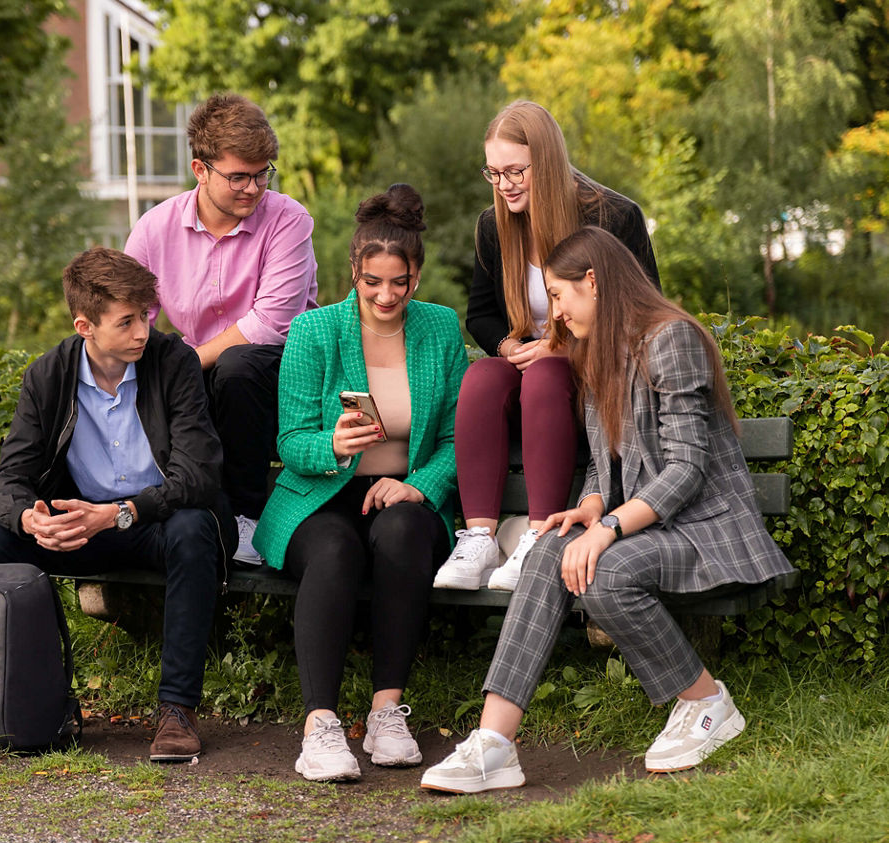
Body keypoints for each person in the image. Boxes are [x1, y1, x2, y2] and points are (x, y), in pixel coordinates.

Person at [420, 226, 793, 793]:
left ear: (592, 282)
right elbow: (604, 458)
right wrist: (591, 506)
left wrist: (612, 527)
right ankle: (495, 743)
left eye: (560, 296)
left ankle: (707, 702)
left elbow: (687, 469)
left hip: (705, 530)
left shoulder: (672, 338)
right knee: (550, 548)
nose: (557, 315)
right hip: (650, 527)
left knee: (604, 572)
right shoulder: (596, 353)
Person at [0, 247, 237, 763]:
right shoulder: (48, 375)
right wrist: (32, 518)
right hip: (83, 528)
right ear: (84, 325)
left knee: (193, 529)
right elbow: (8, 481)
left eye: (147, 315)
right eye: (127, 321)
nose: (143, 330)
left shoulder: (174, 362)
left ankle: (177, 710)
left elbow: (199, 476)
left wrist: (120, 513)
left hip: (155, 521)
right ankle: (47, 700)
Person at [253, 184, 467, 782]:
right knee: (336, 548)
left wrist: (419, 485)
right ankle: (319, 725)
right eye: (373, 281)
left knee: (403, 534)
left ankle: (385, 712)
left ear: (417, 275)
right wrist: (332, 444)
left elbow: (457, 439)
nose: (386, 295)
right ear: (354, 271)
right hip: (320, 496)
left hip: (402, 492)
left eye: (400, 282)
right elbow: (290, 441)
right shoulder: (314, 330)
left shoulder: (440, 329)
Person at [435, 100, 662, 592]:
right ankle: (478, 538)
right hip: (530, 375)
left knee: (543, 374)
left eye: (515, 170)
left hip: (591, 374)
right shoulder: (494, 226)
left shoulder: (613, 216)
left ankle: (539, 536)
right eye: (493, 173)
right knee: (481, 376)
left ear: (549, 160)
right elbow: (481, 313)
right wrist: (506, 343)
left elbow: (644, 315)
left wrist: (565, 348)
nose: (504, 184)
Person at [125, 93, 319, 566]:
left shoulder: (288, 220)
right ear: (200, 169)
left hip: (278, 380)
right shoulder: (154, 230)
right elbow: (127, 317)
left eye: (263, 173)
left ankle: (248, 518)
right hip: (203, 378)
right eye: (239, 176)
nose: (253, 188)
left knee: (235, 365)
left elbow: (271, 324)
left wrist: (185, 363)